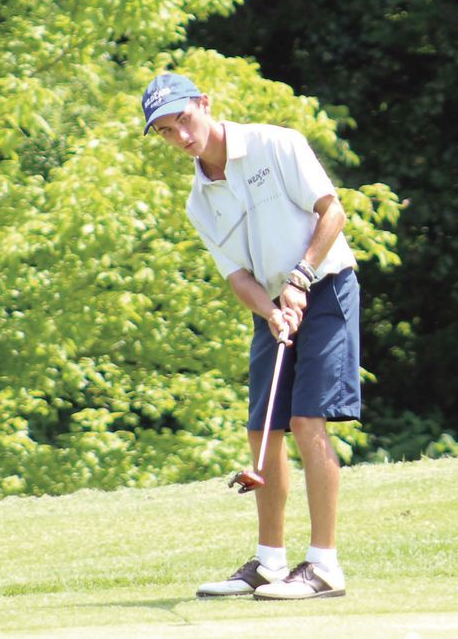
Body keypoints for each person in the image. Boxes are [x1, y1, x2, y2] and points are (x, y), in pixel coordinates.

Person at [140, 73, 361, 600]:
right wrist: (271, 311)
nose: (182, 138)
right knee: (263, 431)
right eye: (168, 133)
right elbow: (237, 274)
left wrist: (301, 277)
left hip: (327, 287)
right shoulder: (199, 200)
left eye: (184, 121)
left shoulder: (275, 143)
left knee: (308, 420)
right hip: (272, 302)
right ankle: (269, 564)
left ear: (204, 104)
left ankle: (325, 566)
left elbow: (333, 211)